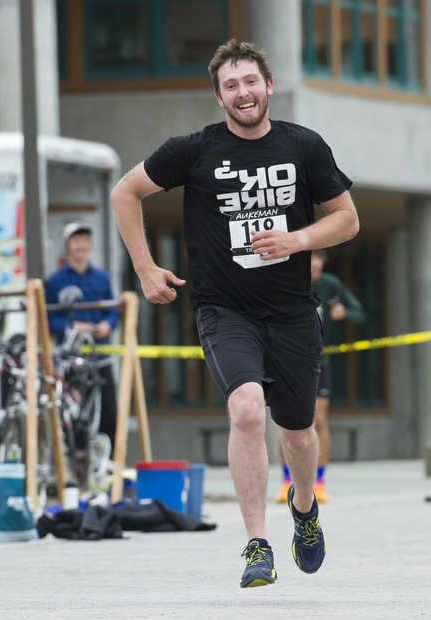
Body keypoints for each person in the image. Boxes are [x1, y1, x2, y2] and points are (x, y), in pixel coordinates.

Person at [110, 39, 359, 588]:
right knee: (246, 410)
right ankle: (256, 544)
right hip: (225, 311)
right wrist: (147, 269)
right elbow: (125, 192)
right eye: (231, 86)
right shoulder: (195, 151)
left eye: (250, 82)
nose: (242, 93)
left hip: (292, 312)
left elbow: (347, 219)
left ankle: (304, 508)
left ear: (268, 86)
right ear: (219, 97)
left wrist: (295, 239)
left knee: (297, 432)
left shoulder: (305, 147)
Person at [275, 248, 365, 504]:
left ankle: (320, 481)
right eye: (310, 269)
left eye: (318, 269)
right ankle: (286, 481)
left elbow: (359, 312)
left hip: (319, 360)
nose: (314, 273)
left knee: (318, 420)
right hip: (287, 359)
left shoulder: (330, 285)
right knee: (286, 421)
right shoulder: (286, 281)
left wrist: (344, 313)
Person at [44, 221, 119, 481]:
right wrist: (74, 326)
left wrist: (106, 326)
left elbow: (114, 311)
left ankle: (106, 466)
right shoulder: (54, 281)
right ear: (67, 246)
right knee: (73, 417)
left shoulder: (101, 277)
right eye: (76, 240)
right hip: (71, 360)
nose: (81, 245)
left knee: (110, 411)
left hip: (101, 357)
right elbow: (48, 319)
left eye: (85, 240)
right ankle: (75, 466)